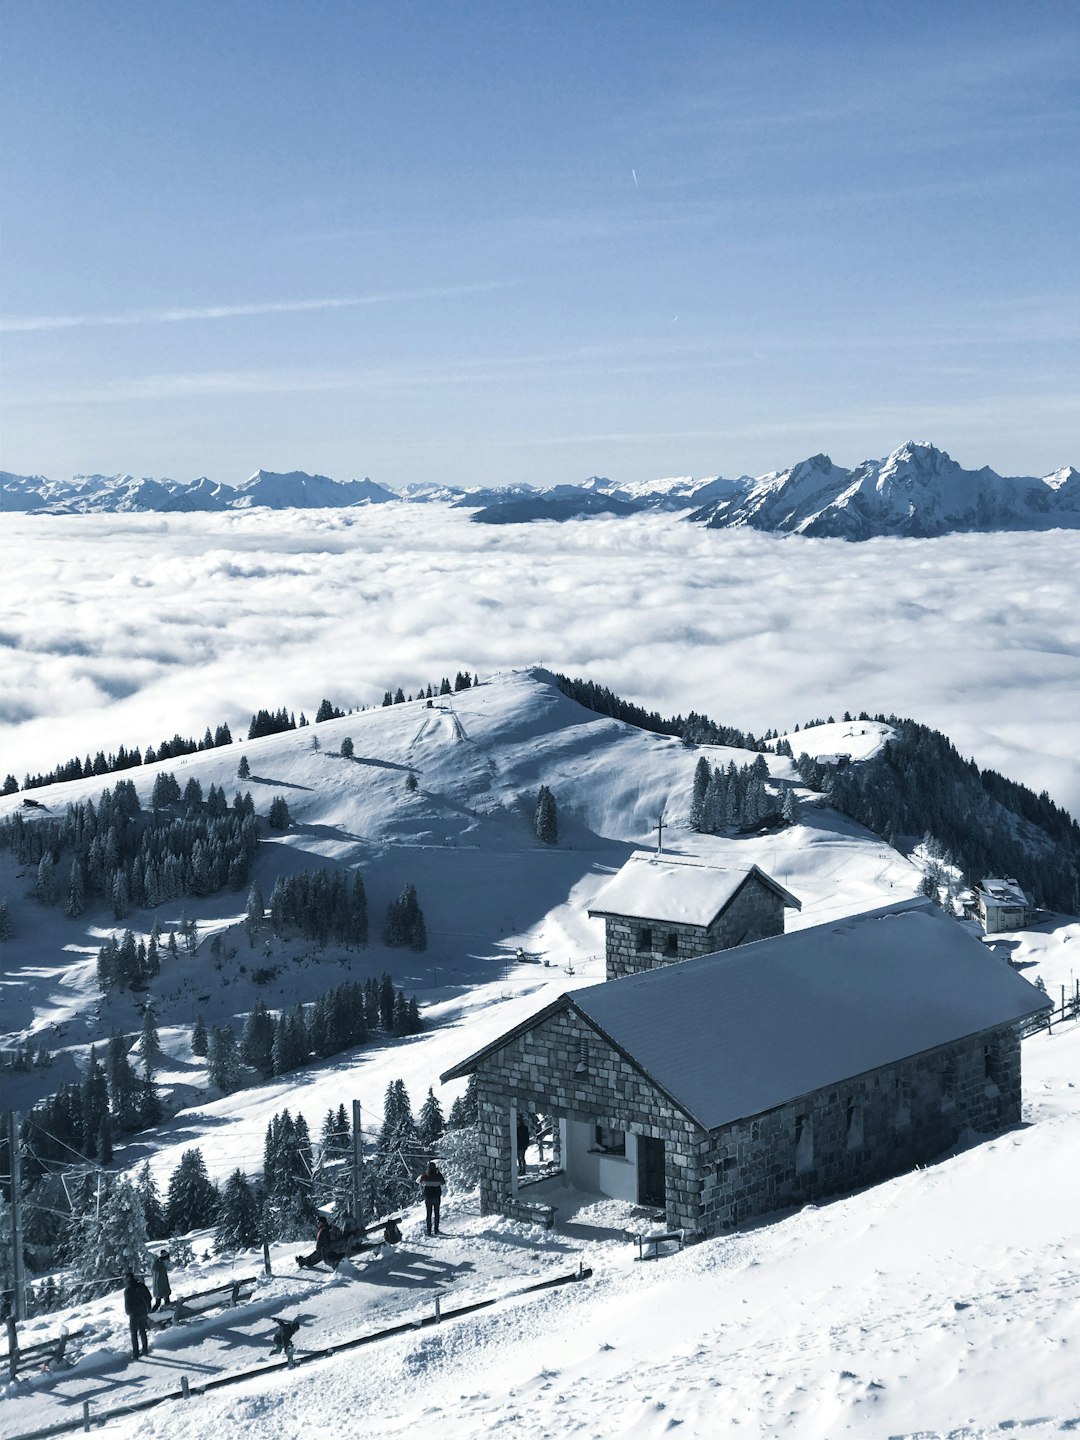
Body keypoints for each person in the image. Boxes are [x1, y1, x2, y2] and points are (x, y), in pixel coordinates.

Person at [124, 1270, 152, 1359]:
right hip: (142, 1311)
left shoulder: (128, 1290)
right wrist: (147, 1307)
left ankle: (135, 1353)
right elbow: (149, 1297)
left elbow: (127, 1303)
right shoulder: (141, 1286)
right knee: (142, 1331)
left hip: (133, 1313)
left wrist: (128, 1312)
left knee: (134, 1333)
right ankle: (145, 1350)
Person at [417, 1159, 445, 1236]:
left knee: (429, 1214)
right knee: (436, 1213)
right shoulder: (438, 1175)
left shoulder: (425, 1176)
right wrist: (438, 1172)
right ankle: (436, 1230)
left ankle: (429, 1231)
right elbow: (443, 1182)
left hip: (428, 1197)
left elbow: (419, 1181)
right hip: (436, 1197)